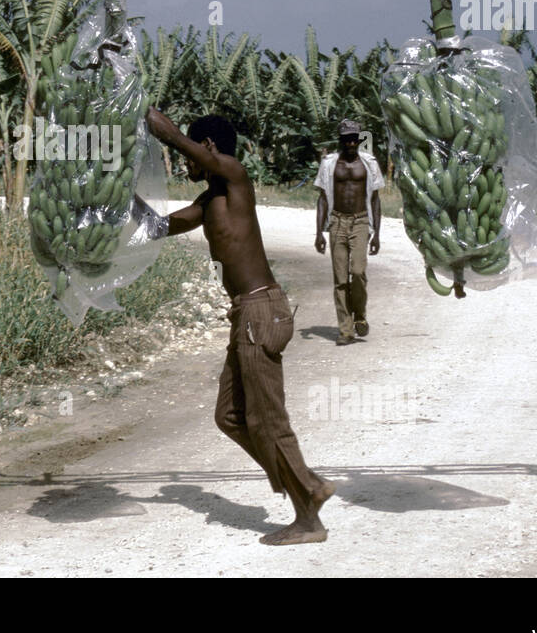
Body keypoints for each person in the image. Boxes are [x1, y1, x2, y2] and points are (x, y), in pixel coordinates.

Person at [139, 107, 335, 545]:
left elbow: (199, 155)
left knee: (268, 421)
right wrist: (116, 206)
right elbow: (161, 227)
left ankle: (308, 516)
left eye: (192, 152)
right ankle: (307, 482)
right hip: (244, 316)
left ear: (207, 147)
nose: (186, 164)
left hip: (261, 312)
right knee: (229, 416)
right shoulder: (210, 202)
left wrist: (166, 132)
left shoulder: (236, 177)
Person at [314, 120, 383, 346]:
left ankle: (360, 315)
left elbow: (375, 199)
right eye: (347, 139)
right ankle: (346, 330)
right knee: (340, 279)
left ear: (359, 139)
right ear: (341, 140)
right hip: (337, 221)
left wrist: (377, 234)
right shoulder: (330, 164)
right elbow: (323, 198)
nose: (351, 143)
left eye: (355, 138)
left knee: (358, 271)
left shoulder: (369, 163)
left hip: (361, 220)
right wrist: (319, 232)